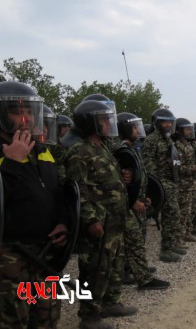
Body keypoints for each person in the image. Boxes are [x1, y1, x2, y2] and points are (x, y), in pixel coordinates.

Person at [0, 81, 69, 328]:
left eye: (29, 112)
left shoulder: (41, 150)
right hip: (10, 258)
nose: (25, 119)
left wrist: (63, 222)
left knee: (47, 318)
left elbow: (56, 191)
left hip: (45, 254)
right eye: (17, 112)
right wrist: (11, 165)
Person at [64, 100, 137, 329]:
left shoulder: (103, 146)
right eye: (104, 119)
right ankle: (89, 315)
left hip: (114, 219)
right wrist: (91, 219)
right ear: (90, 122)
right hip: (99, 220)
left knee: (114, 263)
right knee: (94, 268)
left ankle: (111, 302)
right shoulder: (79, 151)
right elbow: (79, 189)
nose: (108, 123)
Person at [116, 112, 170, 290]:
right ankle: (144, 278)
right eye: (134, 127)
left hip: (136, 201)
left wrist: (143, 196)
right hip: (127, 205)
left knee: (135, 239)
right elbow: (122, 183)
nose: (138, 130)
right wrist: (132, 201)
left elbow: (139, 177)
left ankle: (130, 270)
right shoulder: (122, 150)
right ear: (125, 129)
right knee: (135, 241)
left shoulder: (133, 147)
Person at [141, 108, 185, 262]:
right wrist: (157, 185)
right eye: (165, 122)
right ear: (157, 123)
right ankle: (165, 250)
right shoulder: (151, 140)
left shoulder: (168, 139)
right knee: (171, 214)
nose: (168, 125)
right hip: (160, 184)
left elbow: (176, 160)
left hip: (170, 182)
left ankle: (171, 245)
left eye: (170, 122)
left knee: (173, 215)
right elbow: (148, 165)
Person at [173, 118, 196, 243]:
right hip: (183, 185)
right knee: (183, 213)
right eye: (187, 129)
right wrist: (195, 168)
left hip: (192, 184)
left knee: (191, 211)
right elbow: (177, 167)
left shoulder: (188, 144)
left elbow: (189, 162)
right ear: (180, 130)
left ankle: (187, 233)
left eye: (190, 129)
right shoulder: (177, 146)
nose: (190, 131)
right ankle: (179, 238)